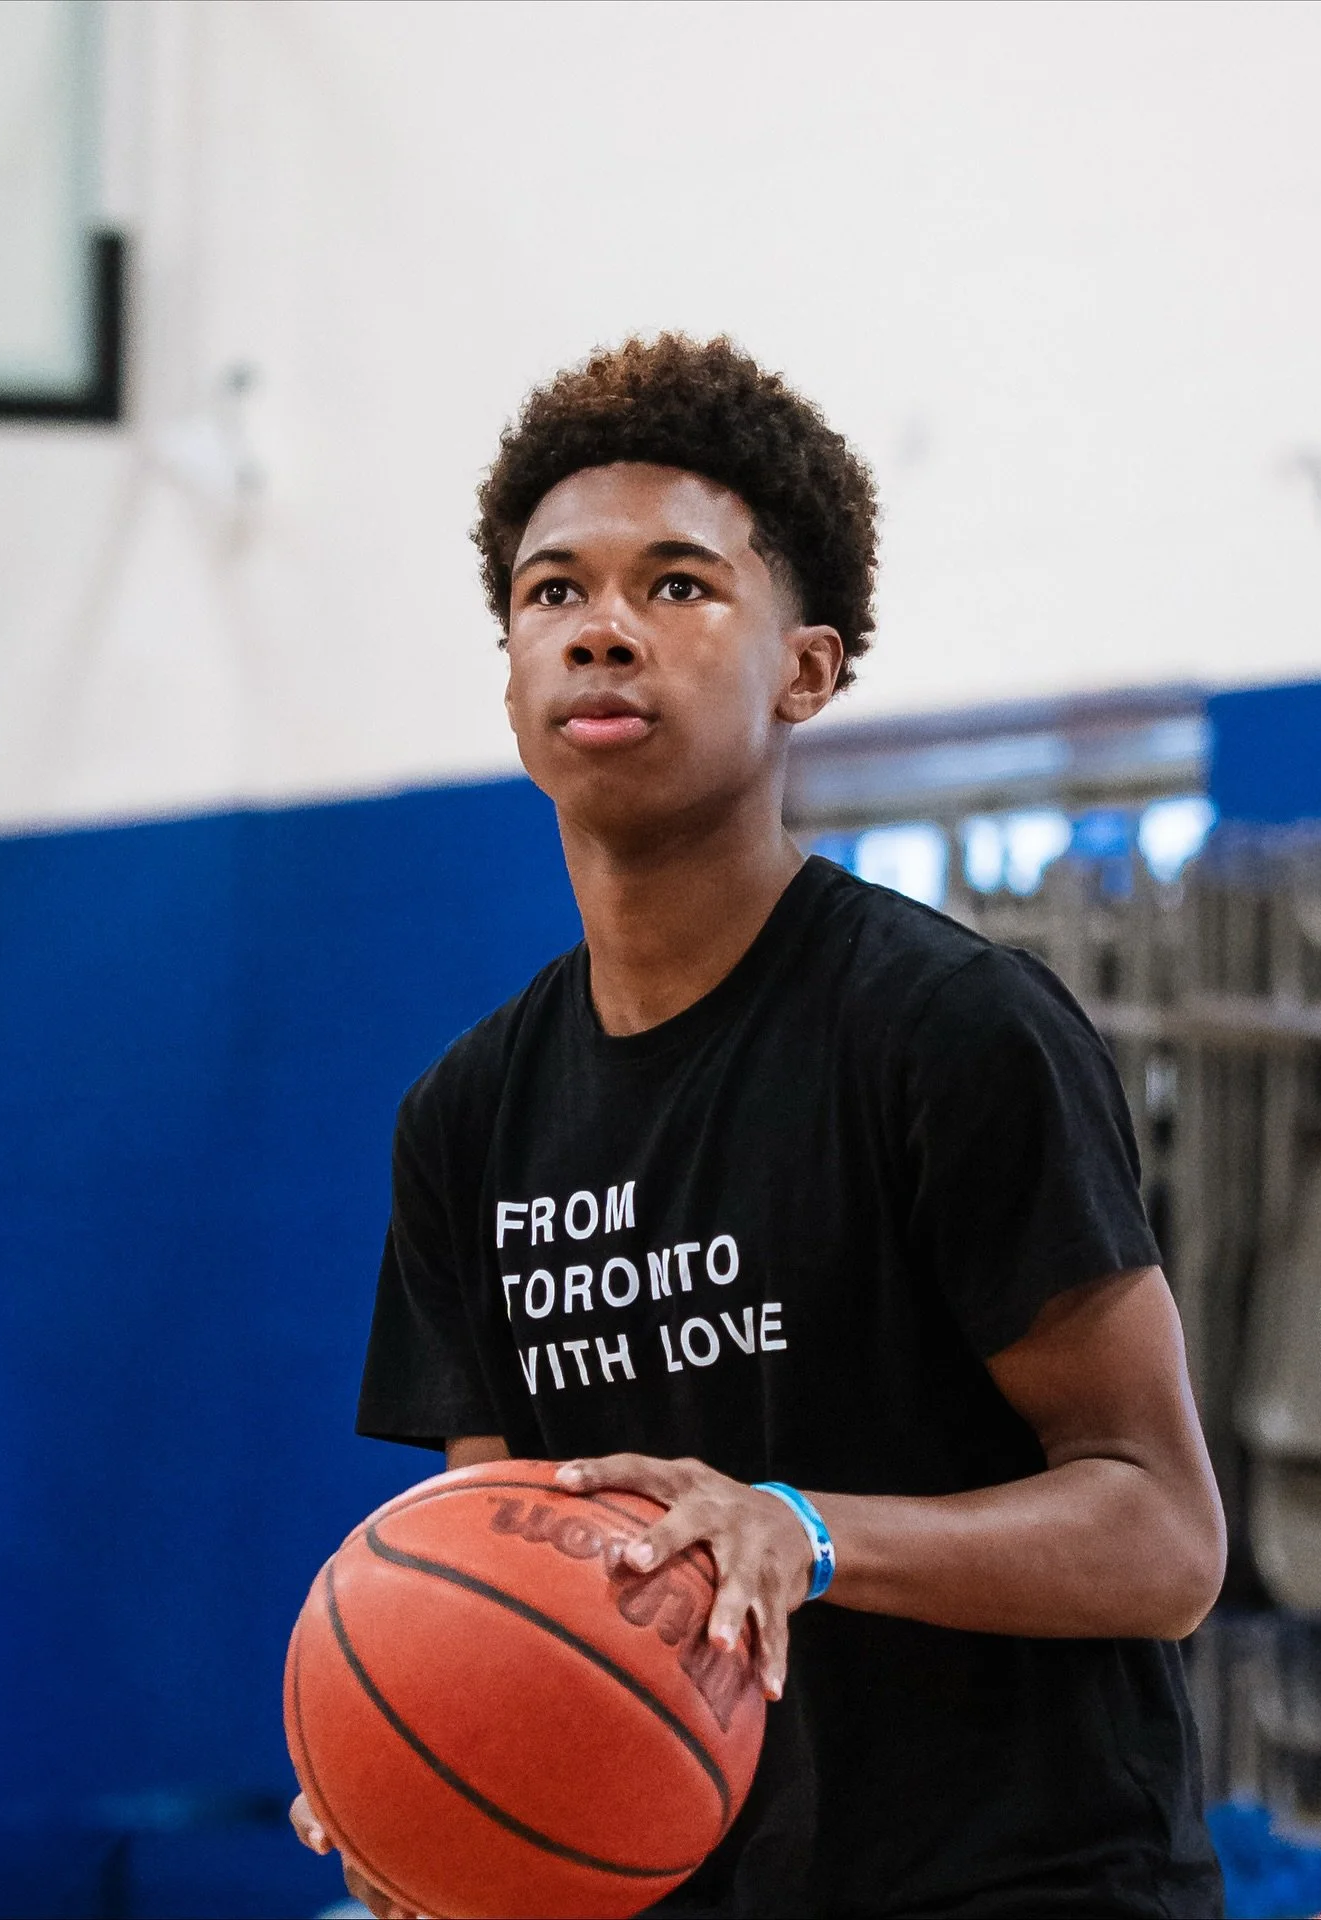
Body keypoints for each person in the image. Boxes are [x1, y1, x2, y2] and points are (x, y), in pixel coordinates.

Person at [291, 334, 1226, 1917]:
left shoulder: (951, 1030)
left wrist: (805, 1531)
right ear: (511, 678)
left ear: (807, 671)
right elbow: (502, 1560)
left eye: (678, 585)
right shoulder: (467, 1118)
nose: (601, 629)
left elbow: (1166, 1537)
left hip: (1025, 1885)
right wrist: (426, 1755)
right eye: (553, 593)